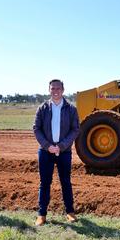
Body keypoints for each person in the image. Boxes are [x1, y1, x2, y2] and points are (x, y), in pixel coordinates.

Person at [33, 79, 80, 226]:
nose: (55, 91)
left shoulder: (71, 109)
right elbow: (36, 128)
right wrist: (47, 146)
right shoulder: (43, 108)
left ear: (63, 90)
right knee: (45, 183)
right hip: (45, 152)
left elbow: (75, 129)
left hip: (64, 152)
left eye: (58, 88)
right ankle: (42, 214)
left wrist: (61, 146)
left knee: (65, 182)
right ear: (49, 90)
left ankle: (70, 212)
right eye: (53, 88)